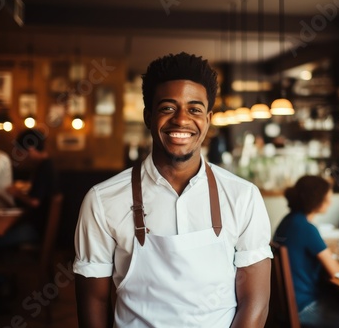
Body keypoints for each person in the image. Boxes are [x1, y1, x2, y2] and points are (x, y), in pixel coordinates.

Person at [73, 52, 273, 328]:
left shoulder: (243, 196)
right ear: (148, 116)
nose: (181, 120)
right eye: (168, 107)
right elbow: (92, 301)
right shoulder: (102, 200)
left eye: (194, 109)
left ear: (208, 119)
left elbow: (255, 301)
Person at [273, 175, 339, 328]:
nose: (330, 202)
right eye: (327, 197)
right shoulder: (307, 229)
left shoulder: (288, 220)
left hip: (286, 305)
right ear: (315, 200)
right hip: (304, 306)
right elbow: (334, 270)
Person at [0, 128, 59, 252]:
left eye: (23, 152)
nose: (24, 157)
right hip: (39, 227)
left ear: (30, 149)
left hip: (35, 229)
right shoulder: (49, 165)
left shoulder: (43, 168)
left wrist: (16, 192)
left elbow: (34, 202)